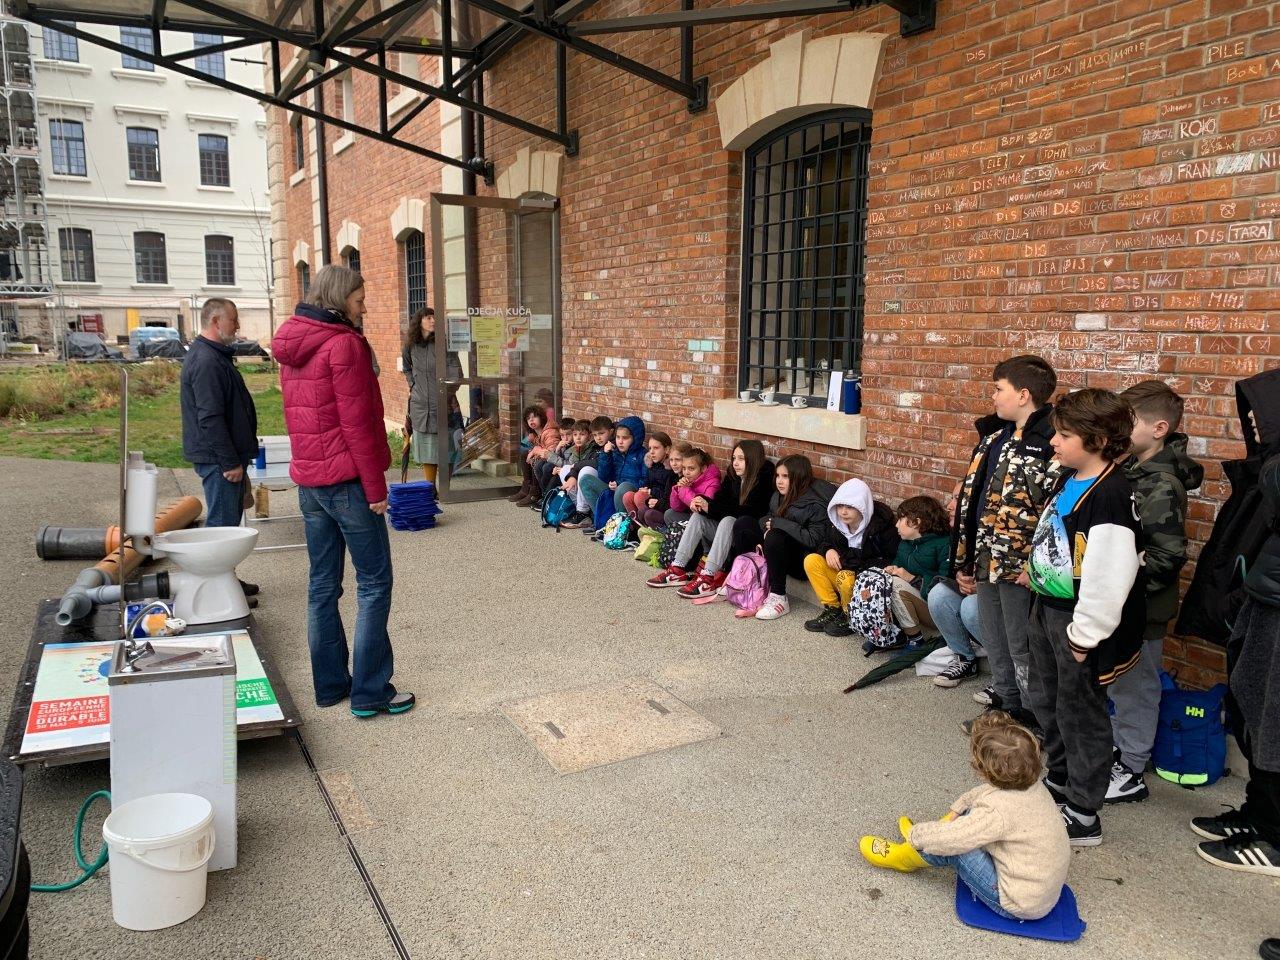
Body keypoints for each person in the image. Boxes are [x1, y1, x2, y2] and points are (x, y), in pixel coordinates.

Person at [272, 264, 414, 719]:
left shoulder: (295, 344)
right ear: (338, 300)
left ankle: (331, 685)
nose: (364, 307)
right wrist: (377, 488)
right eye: (359, 299)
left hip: (311, 484)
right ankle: (371, 693)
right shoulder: (344, 345)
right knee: (374, 584)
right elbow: (359, 426)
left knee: (321, 585)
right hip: (349, 484)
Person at [1025, 388, 1144, 845]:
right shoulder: (1068, 476)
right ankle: (1060, 778)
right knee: (1047, 699)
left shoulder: (1111, 494)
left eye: (1065, 434)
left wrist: (1086, 633)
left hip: (1076, 623)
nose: (1054, 441)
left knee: (1081, 714)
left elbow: (1111, 572)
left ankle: (1084, 811)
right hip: (1046, 607)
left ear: (1096, 439)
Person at [859, 711, 1070, 922]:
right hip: (1039, 889)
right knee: (964, 824)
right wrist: (957, 809)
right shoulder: (1031, 785)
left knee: (957, 846)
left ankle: (903, 856)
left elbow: (954, 839)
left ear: (984, 771)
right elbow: (983, 794)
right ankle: (926, 837)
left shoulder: (996, 811)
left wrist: (917, 835)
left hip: (1017, 903)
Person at [950, 355, 1059, 732]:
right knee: (995, 637)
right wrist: (964, 559)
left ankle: (1033, 718)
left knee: (1021, 643)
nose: (993, 396)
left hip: (1019, 567)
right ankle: (1007, 706)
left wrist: (1035, 564)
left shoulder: (1051, 442)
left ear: (1024, 394)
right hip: (986, 557)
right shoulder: (995, 437)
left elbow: (1054, 512)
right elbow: (974, 498)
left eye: (999, 389)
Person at [1106, 380, 1203, 804]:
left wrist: (1127, 585)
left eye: (1129, 423)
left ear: (1159, 427)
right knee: (1119, 682)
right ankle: (1121, 749)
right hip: (1123, 601)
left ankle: (1130, 768)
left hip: (1143, 606)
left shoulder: (1162, 483)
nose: (1120, 432)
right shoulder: (1132, 470)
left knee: (1137, 684)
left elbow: (1165, 556)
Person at [1193, 441, 1280, 879]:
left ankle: (1275, 838)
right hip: (1267, 597)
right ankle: (1259, 814)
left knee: (1274, 726)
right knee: (1254, 716)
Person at [180, 298, 260, 596]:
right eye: (233, 319)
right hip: (220, 461)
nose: (237, 325)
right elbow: (210, 417)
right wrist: (229, 462)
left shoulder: (214, 356)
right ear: (215, 321)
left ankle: (222, 580)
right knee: (220, 528)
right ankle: (213, 589)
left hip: (224, 457)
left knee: (226, 525)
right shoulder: (207, 361)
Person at [647, 440, 773, 596]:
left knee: (729, 520)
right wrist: (702, 503)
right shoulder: (733, 476)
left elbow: (752, 512)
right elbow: (720, 502)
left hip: (748, 539)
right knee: (698, 518)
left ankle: (708, 576)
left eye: (741, 459)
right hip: (726, 535)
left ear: (752, 459)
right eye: (734, 458)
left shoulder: (764, 480)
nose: (735, 463)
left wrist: (711, 507)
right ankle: (677, 568)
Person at [802, 478, 898, 636]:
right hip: (843, 575)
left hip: (864, 583)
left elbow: (889, 559)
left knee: (845, 577)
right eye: (840, 506)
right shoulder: (837, 524)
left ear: (862, 507)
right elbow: (823, 542)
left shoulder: (881, 527)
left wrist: (849, 562)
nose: (843, 512)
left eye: (849, 507)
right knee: (812, 560)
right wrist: (829, 550)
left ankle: (850, 615)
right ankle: (833, 608)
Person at [746, 455, 836, 621]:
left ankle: (779, 597)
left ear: (798, 477)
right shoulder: (779, 495)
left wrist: (779, 524)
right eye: (778, 476)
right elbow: (767, 518)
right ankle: (746, 581)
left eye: (785, 476)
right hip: (783, 556)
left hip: (805, 563)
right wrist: (770, 523)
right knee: (744, 524)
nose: (779, 481)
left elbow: (813, 540)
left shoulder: (815, 504)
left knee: (775, 536)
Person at [402, 306, 462, 485]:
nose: (433, 321)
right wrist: (413, 384)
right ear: (419, 321)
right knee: (428, 449)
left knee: (447, 447)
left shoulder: (444, 345)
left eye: (435, 317)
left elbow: (456, 372)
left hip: (442, 403)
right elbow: (407, 367)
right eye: (428, 318)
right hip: (420, 405)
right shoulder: (410, 345)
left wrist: (447, 393)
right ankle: (430, 488)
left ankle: (445, 487)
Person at [578, 415, 647, 529]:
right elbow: (604, 476)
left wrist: (619, 484)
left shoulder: (642, 455)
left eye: (625, 438)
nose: (620, 442)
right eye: (618, 437)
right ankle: (602, 521)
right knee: (586, 480)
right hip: (613, 490)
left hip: (627, 492)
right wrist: (606, 455)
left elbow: (644, 482)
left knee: (623, 487)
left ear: (635, 438)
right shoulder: (614, 451)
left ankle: (619, 526)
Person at [559, 416, 613, 528]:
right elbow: (583, 462)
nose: (598, 438)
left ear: (611, 432)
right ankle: (579, 510)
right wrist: (573, 475)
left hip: (608, 486)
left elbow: (596, 464)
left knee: (585, 470)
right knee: (565, 469)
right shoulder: (595, 447)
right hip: (593, 484)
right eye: (595, 435)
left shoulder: (611, 446)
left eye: (601, 434)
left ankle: (583, 512)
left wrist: (576, 467)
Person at [623, 431, 677, 529]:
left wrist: (650, 491)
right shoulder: (651, 465)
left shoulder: (671, 470)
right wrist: (644, 489)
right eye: (650, 448)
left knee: (639, 496)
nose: (651, 452)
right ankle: (636, 527)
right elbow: (647, 483)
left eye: (656, 448)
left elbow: (668, 496)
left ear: (667, 449)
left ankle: (646, 529)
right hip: (650, 498)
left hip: (661, 504)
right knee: (628, 496)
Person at [512, 405, 562, 508]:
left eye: (534, 417)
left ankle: (535, 493)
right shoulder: (537, 433)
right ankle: (526, 489)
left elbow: (552, 452)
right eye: (528, 418)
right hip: (548, 459)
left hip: (556, 461)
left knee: (537, 460)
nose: (531, 420)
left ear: (541, 417)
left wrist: (535, 451)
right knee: (524, 454)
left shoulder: (550, 431)